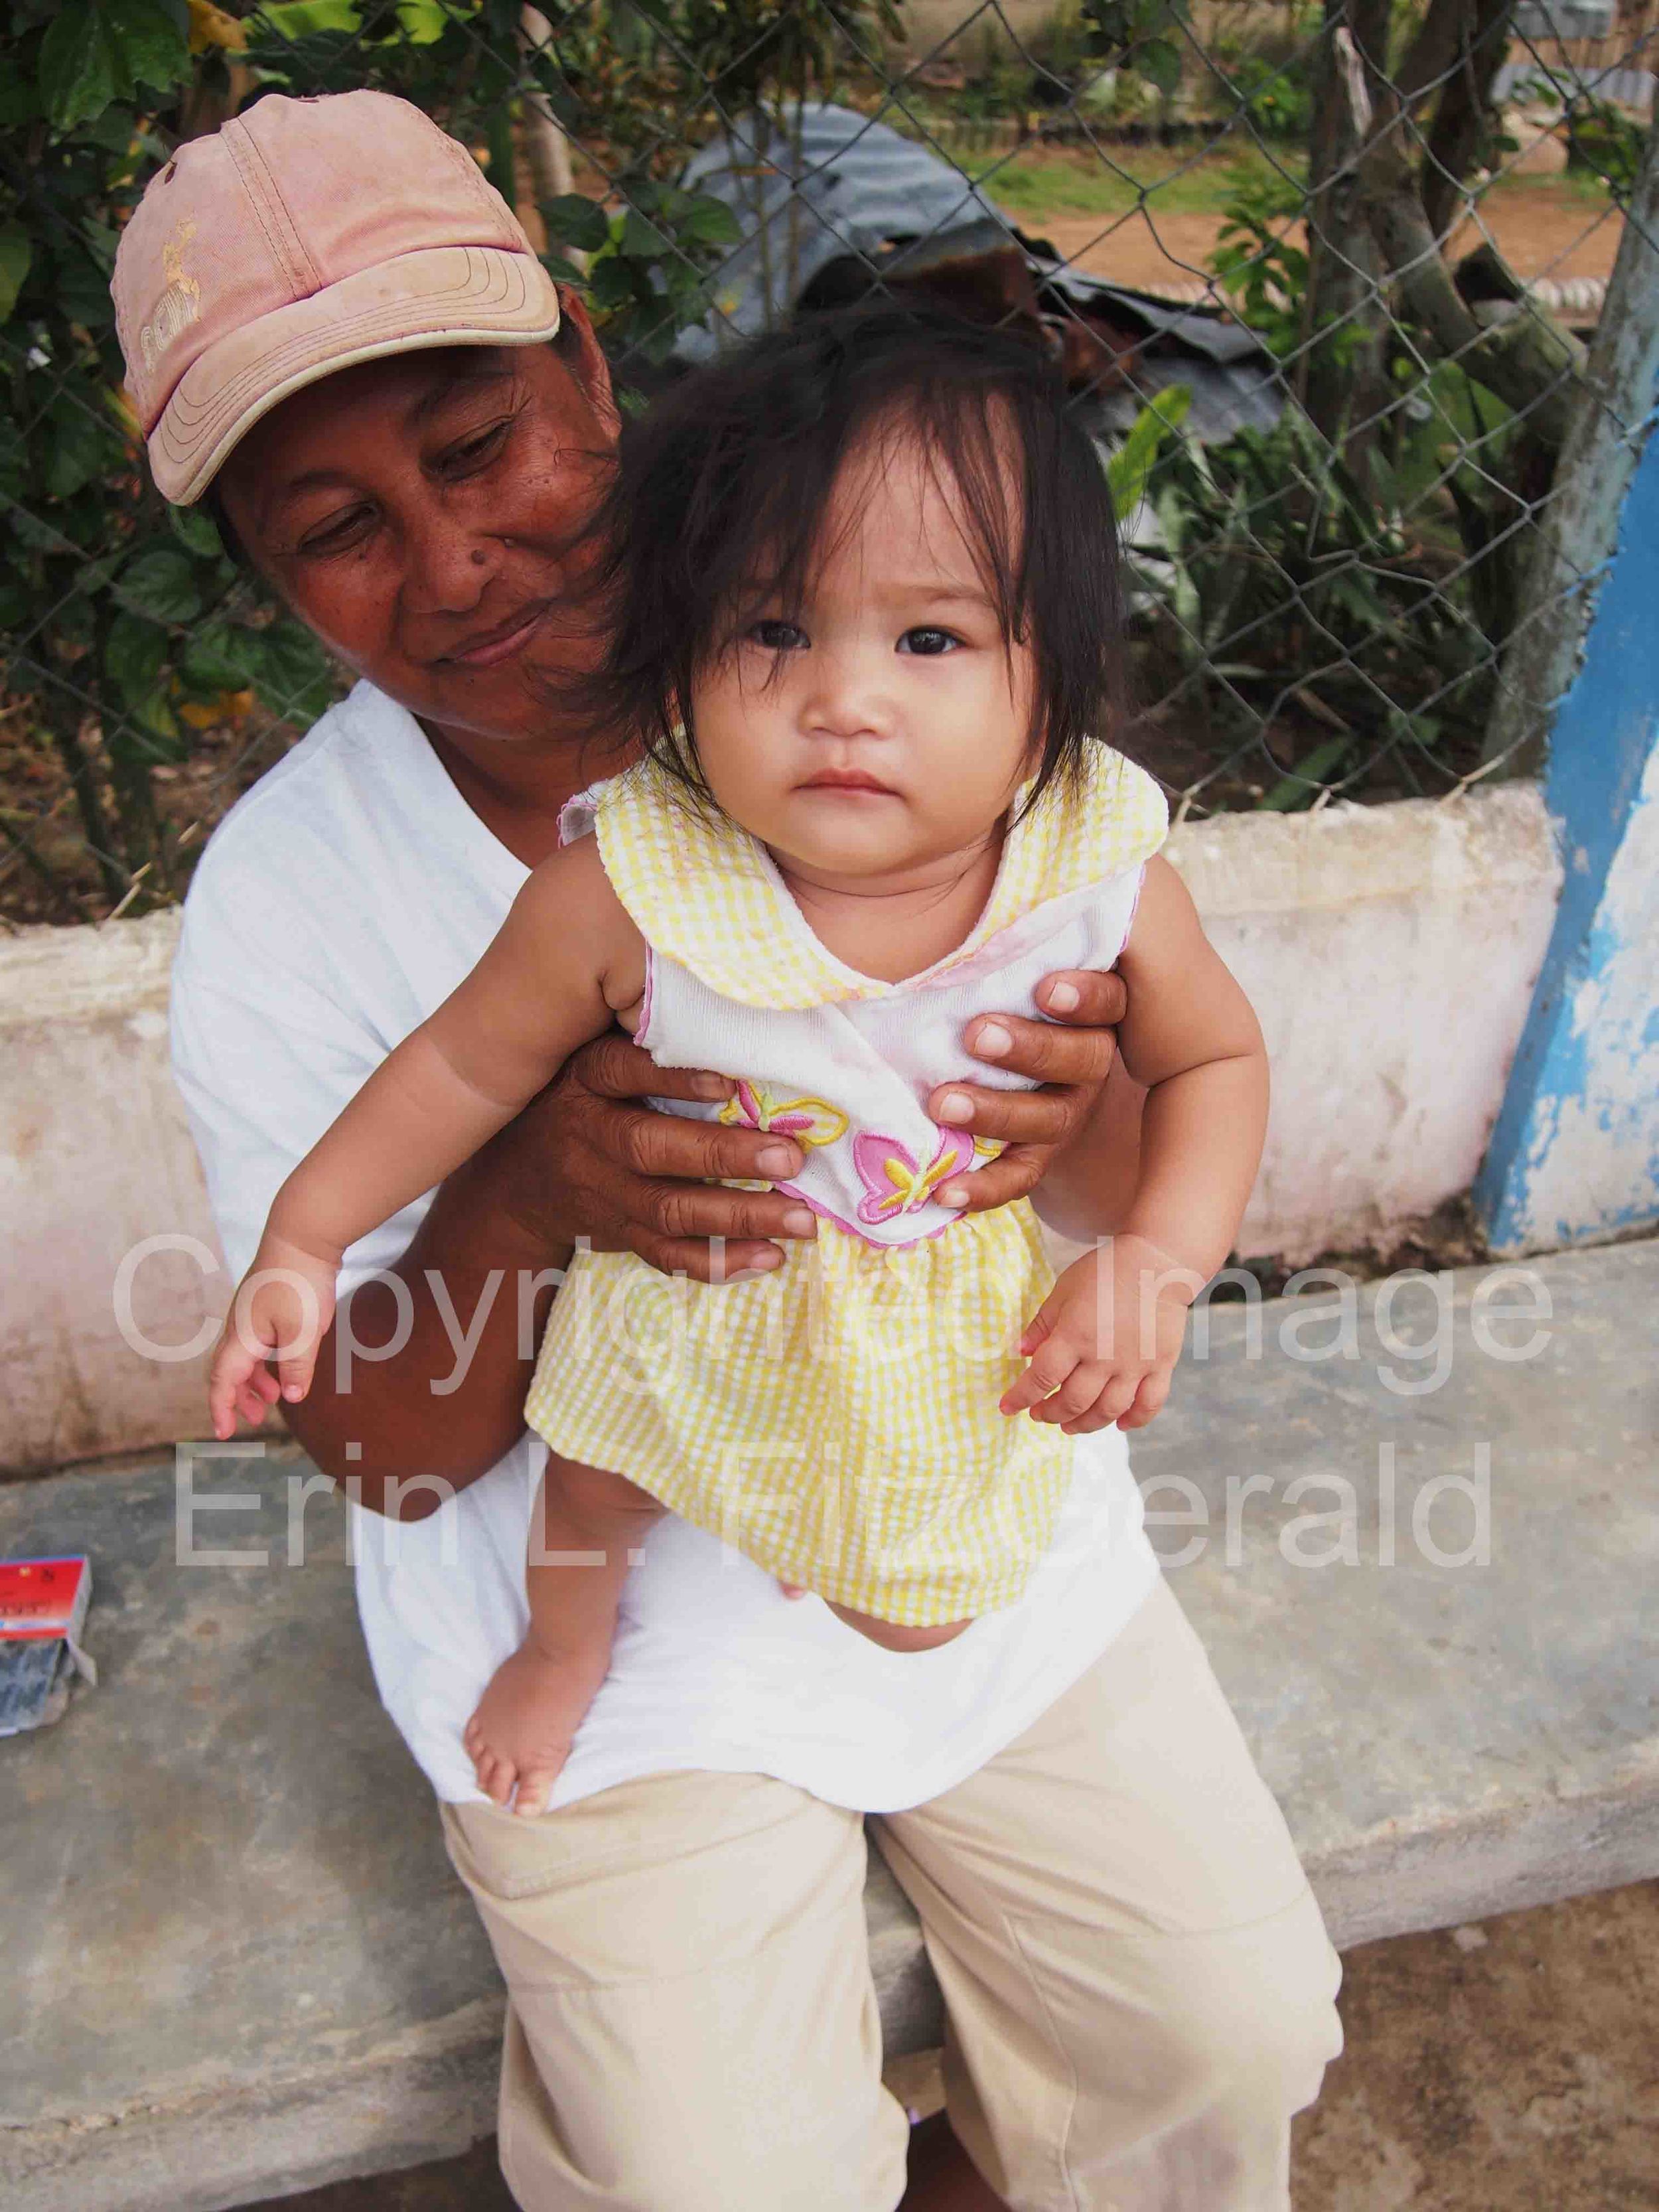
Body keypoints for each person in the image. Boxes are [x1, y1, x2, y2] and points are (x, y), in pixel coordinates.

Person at [117, 89, 1341, 2212]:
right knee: (719, 2180)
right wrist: (536, 1177)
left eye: (476, 445)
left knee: (1226, 2031)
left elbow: (1150, 1139)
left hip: (966, 1508)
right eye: (332, 524)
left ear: (590, 369)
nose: (450, 558)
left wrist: (1102, 1163)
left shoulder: (978, 754)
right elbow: (394, 1449)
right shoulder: (298, 907)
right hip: (607, 1597)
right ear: (257, 573)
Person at [208, 304, 1271, 1836]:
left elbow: (1216, 1058)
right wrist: (304, 1239)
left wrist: (1159, 1264)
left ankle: (811, 1523)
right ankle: (565, 1651)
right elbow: (455, 1067)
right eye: (771, 631)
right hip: (683, 1312)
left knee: (913, 1610)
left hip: (916, 1329)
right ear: (685, 649)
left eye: (928, 639)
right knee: (592, 1489)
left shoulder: (1092, 869)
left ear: (1050, 677)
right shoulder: (639, 879)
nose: (843, 697)